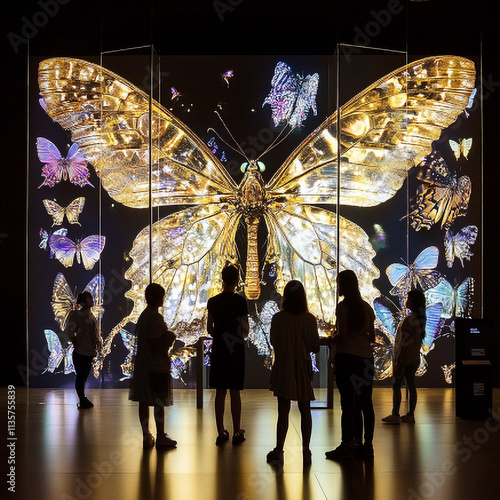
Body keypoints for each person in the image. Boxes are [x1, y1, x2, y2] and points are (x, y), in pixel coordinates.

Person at [266, 280, 320, 467]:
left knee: (283, 411)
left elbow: (274, 341)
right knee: (305, 410)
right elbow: (314, 345)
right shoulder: (309, 319)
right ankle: (306, 450)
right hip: (303, 366)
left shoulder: (278, 318)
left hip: (283, 366)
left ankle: (279, 449)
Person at [326, 270, 376, 460]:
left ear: (343, 285)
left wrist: (332, 339)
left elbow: (343, 335)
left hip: (347, 358)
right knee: (365, 402)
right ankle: (367, 445)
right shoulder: (366, 308)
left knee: (348, 403)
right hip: (365, 359)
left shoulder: (343, 307)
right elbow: (371, 336)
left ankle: (347, 444)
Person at [129, 283, 177, 448]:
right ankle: (161, 435)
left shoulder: (144, 316)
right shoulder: (155, 318)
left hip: (144, 365)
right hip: (156, 367)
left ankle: (146, 434)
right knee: (159, 401)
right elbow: (155, 345)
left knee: (144, 400)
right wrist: (169, 338)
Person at [207, 265, 249, 446]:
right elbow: (246, 329)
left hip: (219, 349)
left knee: (220, 391)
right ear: (237, 280)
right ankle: (237, 431)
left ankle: (220, 431)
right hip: (236, 349)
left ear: (222, 279)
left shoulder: (213, 302)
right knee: (235, 391)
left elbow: (210, 328)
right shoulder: (241, 302)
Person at [382, 289, 426, 424]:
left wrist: (398, 359)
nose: (406, 301)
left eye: (408, 298)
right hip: (414, 358)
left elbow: (404, 343)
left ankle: (395, 414)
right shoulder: (419, 320)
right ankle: (410, 414)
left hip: (404, 359)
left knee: (396, 385)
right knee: (411, 385)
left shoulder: (409, 320)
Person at [65, 291, 102, 409]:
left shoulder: (90, 315)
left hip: (89, 351)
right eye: (89, 298)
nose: (92, 300)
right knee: (81, 376)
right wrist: (76, 343)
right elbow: (69, 331)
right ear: (83, 302)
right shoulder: (76, 316)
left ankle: (83, 399)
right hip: (81, 352)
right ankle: (82, 399)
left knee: (84, 376)